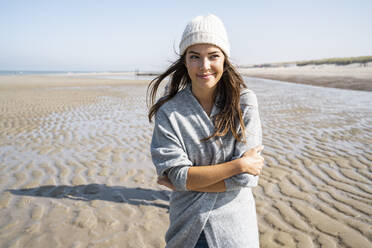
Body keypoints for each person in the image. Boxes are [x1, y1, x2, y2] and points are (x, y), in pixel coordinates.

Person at [147, 14, 264, 248]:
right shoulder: (169, 112)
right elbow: (179, 176)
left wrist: (189, 181)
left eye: (213, 56)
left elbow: (247, 179)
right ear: (185, 61)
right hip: (187, 227)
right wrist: (237, 165)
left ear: (224, 59)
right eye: (194, 57)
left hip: (235, 228)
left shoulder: (245, 102)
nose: (204, 66)